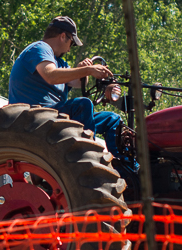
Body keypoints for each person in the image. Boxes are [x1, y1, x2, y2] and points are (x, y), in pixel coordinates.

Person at [7, 16, 126, 159]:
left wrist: (84, 69)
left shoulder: (60, 62)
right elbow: (50, 75)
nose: (70, 49)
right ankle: (91, 159)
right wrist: (88, 70)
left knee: (111, 119)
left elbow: (77, 83)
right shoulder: (39, 48)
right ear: (63, 36)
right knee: (82, 105)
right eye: (72, 43)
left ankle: (123, 166)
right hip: (35, 117)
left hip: (54, 115)